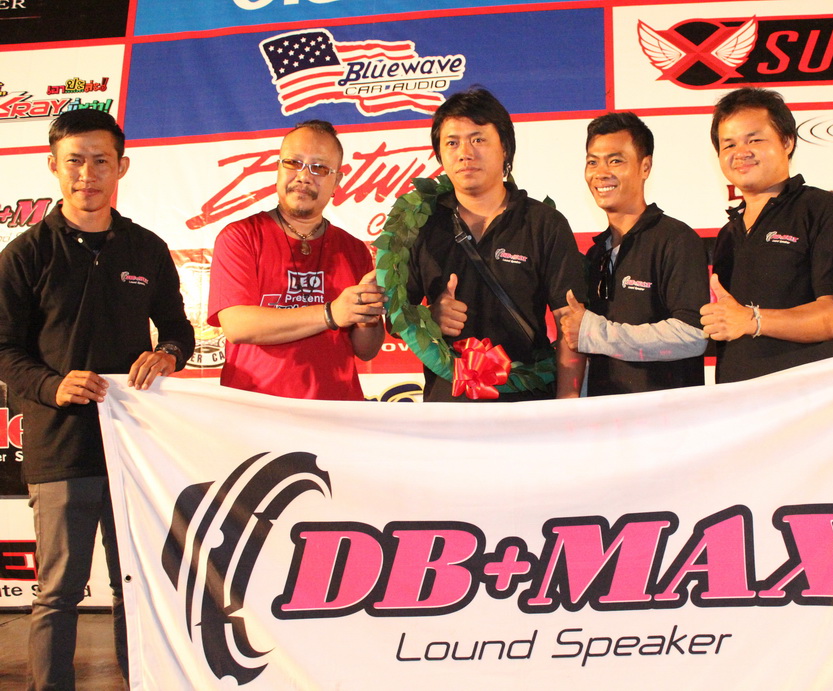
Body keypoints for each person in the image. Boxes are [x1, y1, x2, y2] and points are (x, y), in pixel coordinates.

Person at [0, 109, 194, 689]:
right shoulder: (25, 254)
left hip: (133, 448)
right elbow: (3, 348)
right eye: (75, 161)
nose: (87, 174)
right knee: (58, 593)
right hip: (61, 447)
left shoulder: (146, 249)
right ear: (53, 166)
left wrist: (169, 355)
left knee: (136, 586)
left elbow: (179, 330)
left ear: (121, 167)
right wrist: (51, 385)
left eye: (101, 161)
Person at [407, 87, 586, 401]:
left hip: (526, 405)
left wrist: (567, 406)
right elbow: (396, 318)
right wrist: (430, 317)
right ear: (440, 155)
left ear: (505, 147)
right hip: (447, 407)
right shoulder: (421, 226)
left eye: (478, 139)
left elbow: (570, 325)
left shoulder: (544, 223)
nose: (465, 153)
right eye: (452, 142)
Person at [207, 120, 385, 400]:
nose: (304, 176)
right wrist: (331, 313)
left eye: (319, 168)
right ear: (278, 168)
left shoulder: (354, 249)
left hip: (336, 410)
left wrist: (366, 317)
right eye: (293, 162)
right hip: (255, 410)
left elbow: (367, 350)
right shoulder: (240, 236)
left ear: (337, 181)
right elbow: (237, 325)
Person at [702, 87, 833, 383]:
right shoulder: (728, 234)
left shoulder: (822, 209)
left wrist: (752, 320)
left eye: (754, 140)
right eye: (729, 144)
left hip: (806, 396)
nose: (741, 152)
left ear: (787, 141)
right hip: (738, 399)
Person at [559, 112, 709, 395]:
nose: (601, 172)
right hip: (606, 415)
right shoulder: (596, 254)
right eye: (592, 162)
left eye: (615, 161)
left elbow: (693, 335)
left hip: (664, 417)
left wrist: (595, 332)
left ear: (645, 167)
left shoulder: (676, 239)